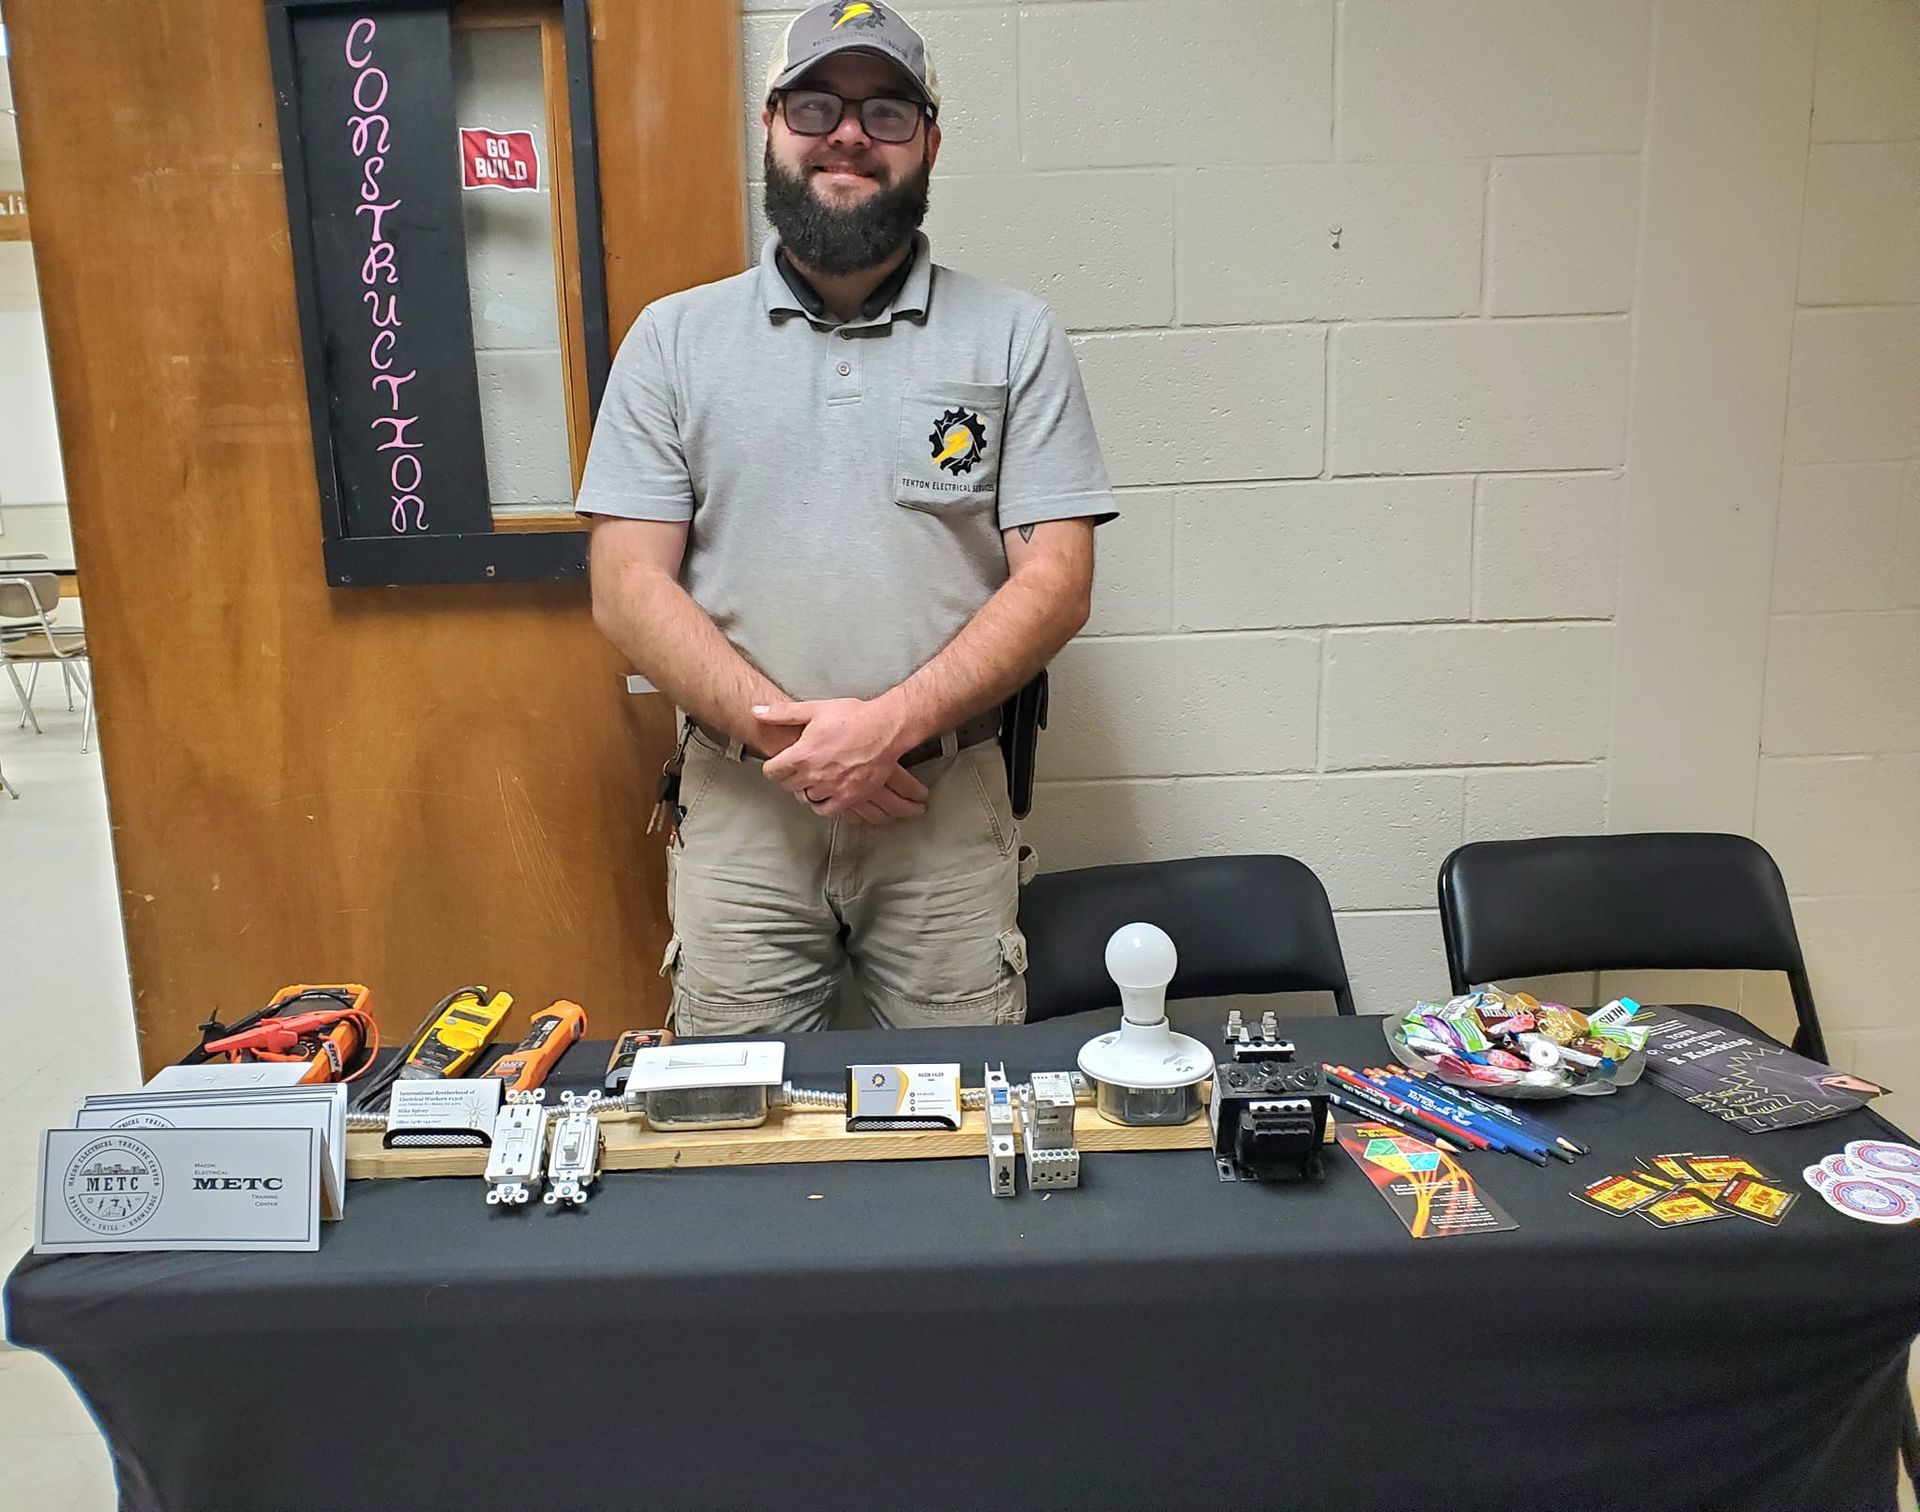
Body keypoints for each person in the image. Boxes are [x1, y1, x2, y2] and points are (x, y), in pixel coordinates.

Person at [576, 0, 1115, 1036]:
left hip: (944, 808)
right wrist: (809, 749)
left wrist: (890, 729)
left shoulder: (1014, 337)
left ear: (930, 142)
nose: (851, 133)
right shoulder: (672, 341)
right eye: (817, 104)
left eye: (887, 110)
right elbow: (626, 585)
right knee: (736, 1128)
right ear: (772, 126)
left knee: (971, 1127)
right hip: (741, 815)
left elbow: (1057, 581)